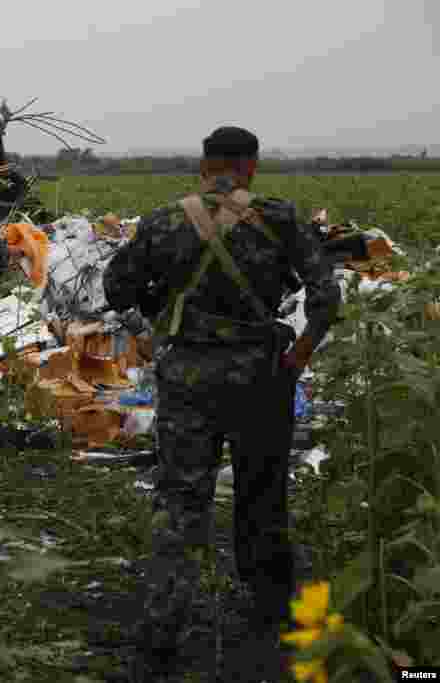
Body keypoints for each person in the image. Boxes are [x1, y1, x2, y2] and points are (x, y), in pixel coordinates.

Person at [102, 126, 341, 679]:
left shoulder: (164, 221)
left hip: (187, 377)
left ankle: (162, 626)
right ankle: (271, 618)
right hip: (262, 377)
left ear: (202, 166)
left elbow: (117, 289)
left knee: (182, 499)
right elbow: (327, 296)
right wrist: (298, 356)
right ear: (251, 167)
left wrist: (151, 331)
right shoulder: (280, 218)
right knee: (262, 495)